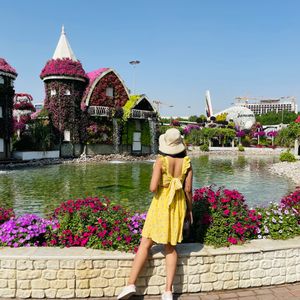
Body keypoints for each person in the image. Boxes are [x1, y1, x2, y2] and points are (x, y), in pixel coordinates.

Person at [117, 128, 193, 300]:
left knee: (145, 244)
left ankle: (130, 284)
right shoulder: (187, 162)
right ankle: (167, 291)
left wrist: (162, 184)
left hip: (161, 204)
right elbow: (188, 190)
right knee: (170, 248)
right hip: (178, 204)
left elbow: (152, 187)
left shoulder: (160, 161)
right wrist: (189, 211)